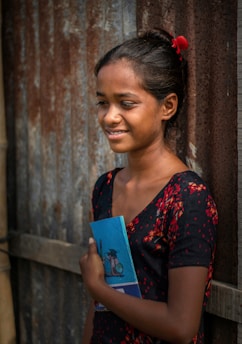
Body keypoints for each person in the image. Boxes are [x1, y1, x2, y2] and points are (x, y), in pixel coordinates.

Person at [80, 28, 218, 344]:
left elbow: (181, 327)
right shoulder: (106, 187)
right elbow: (102, 301)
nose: (109, 117)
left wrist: (97, 287)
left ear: (167, 107)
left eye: (126, 103)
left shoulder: (187, 199)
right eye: (103, 102)